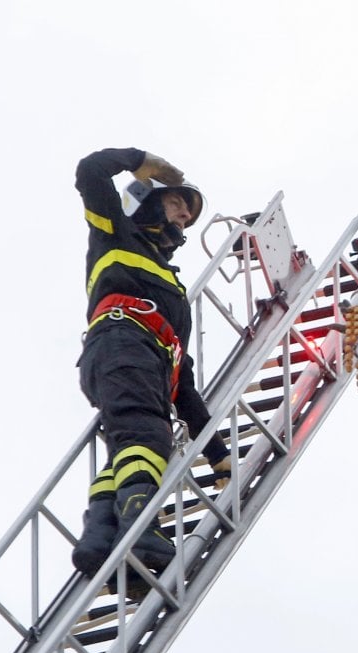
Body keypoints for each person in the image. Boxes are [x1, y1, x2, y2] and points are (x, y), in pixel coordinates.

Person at [71, 148, 232, 581]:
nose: (183, 216)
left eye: (188, 213)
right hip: (122, 344)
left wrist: (220, 457)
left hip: (144, 361)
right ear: (146, 198)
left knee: (127, 448)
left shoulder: (173, 293)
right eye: (178, 202)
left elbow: (185, 388)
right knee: (146, 436)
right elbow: (90, 170)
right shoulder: (114, 232)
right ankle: (142, 530)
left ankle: (99, 536)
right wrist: (140, 160)